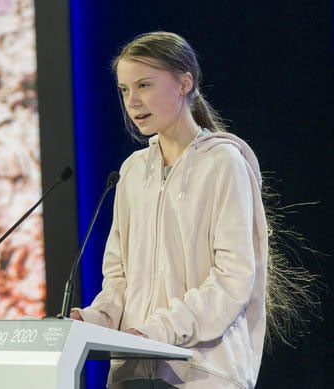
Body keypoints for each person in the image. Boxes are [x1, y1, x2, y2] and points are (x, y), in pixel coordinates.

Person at [70, 31, 268, 388]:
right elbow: (119, 280)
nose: (132, 101)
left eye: (144, 85)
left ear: (184, 83)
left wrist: (158, 331)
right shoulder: (131, 171)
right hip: (134, 372)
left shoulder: (223, 163)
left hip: (203, 371)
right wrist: (92, 320)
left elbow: (233, 278)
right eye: (124, 90)